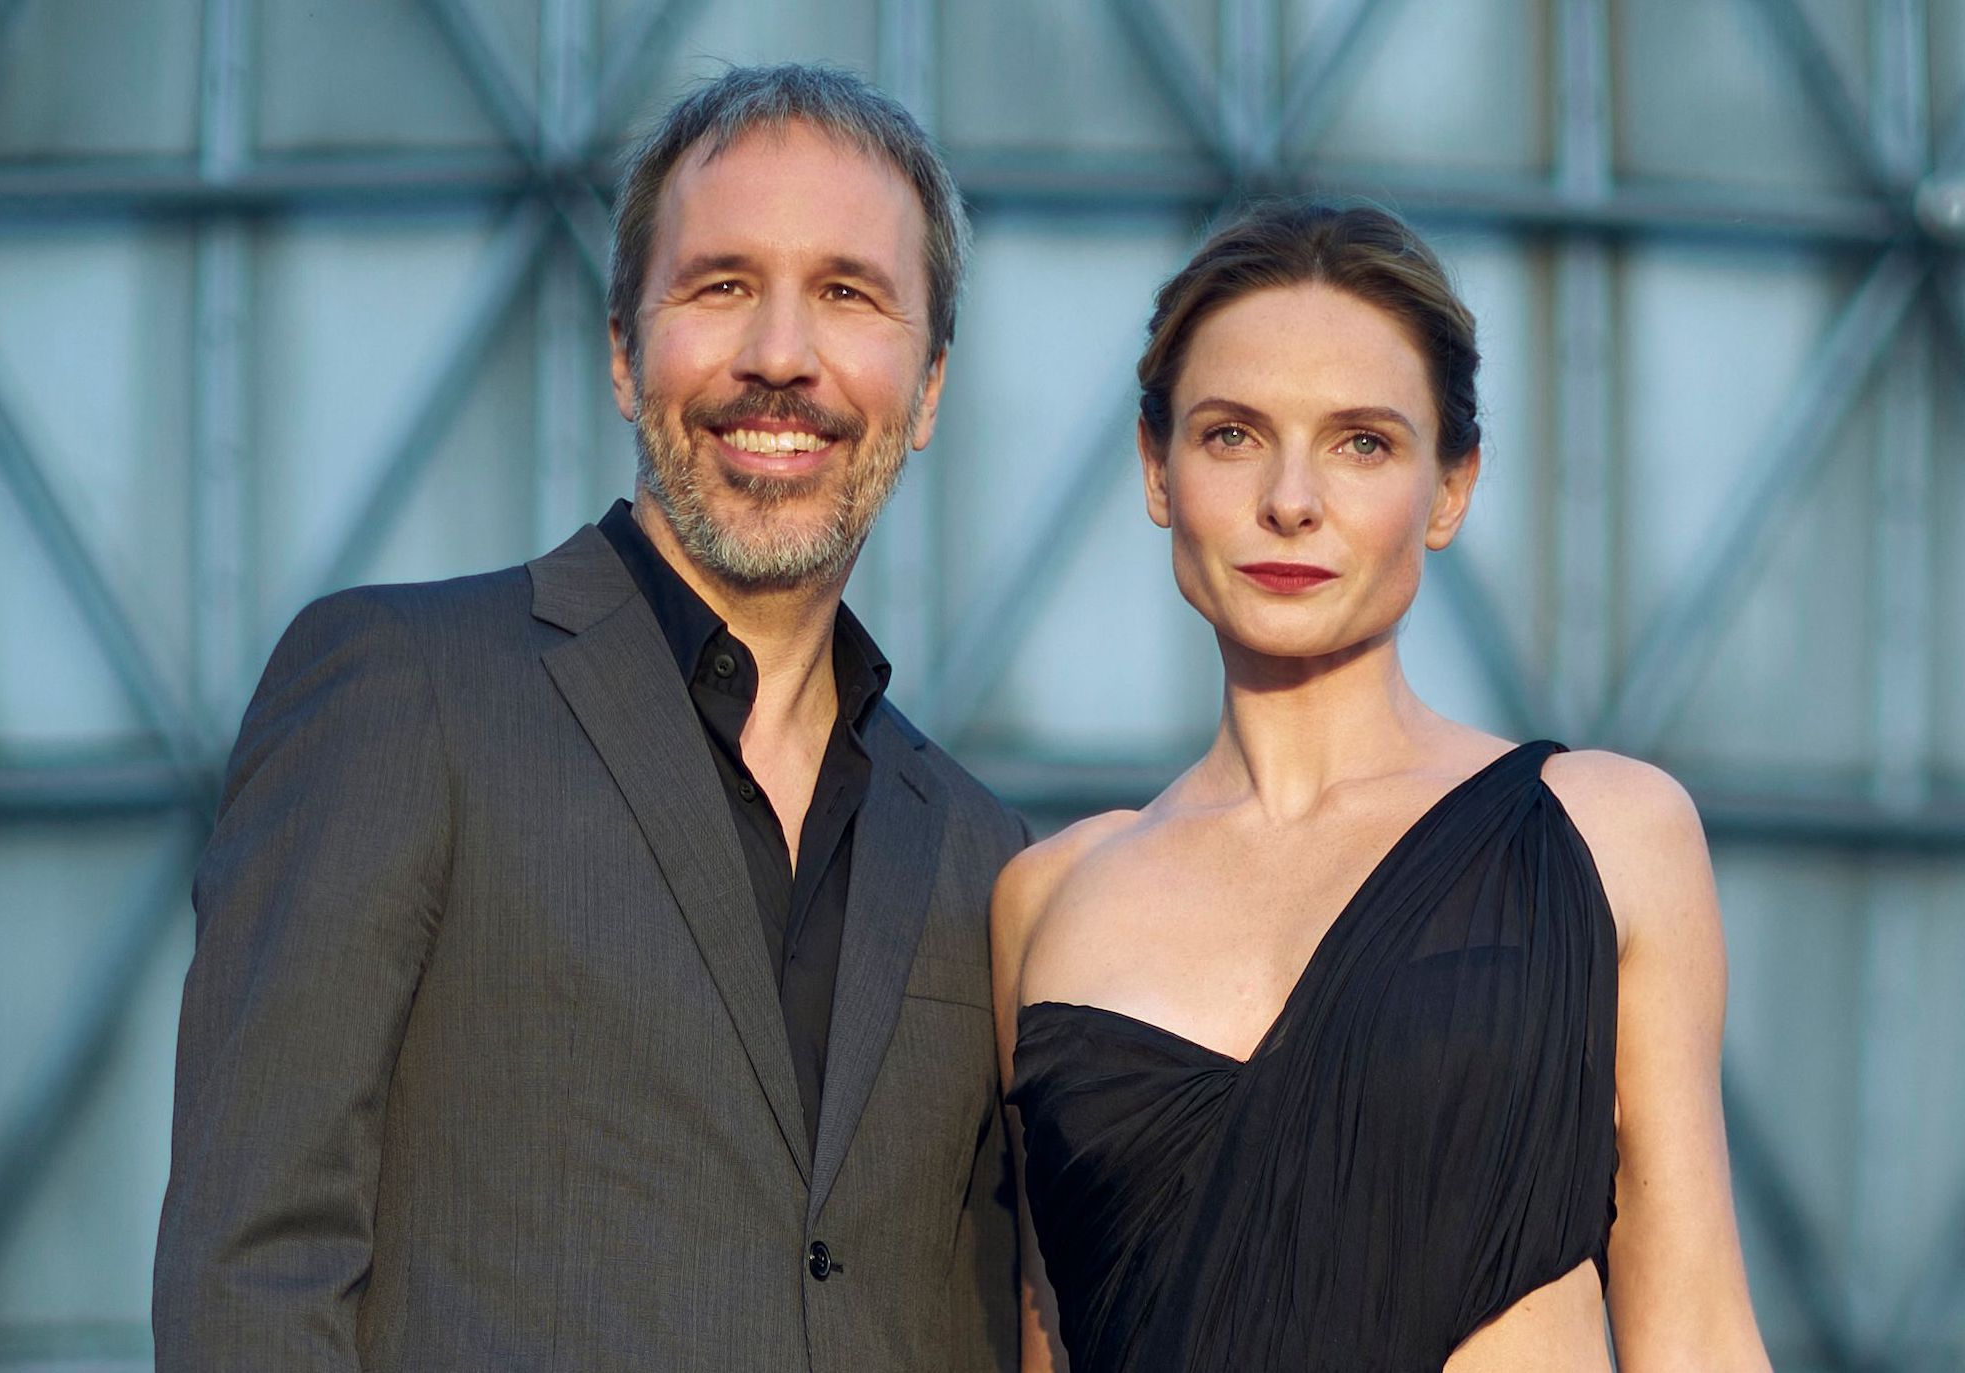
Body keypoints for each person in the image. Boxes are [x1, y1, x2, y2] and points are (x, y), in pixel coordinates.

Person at [155, 64, 1026, 1372]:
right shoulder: (401, 691)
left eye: (848, 294)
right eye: (721, 285)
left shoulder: (986, 852)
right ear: (624, 355)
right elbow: (255, 1270)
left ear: (931, 389)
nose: (780, 357)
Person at [992, 201, 1773, 1372]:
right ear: (1156, 469)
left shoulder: (1602, 833)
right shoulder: (1047, 897)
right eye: (1230, 435)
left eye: (1362, 441)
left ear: (1449, 488)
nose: (1290, 500)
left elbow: (1698, 1333)